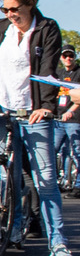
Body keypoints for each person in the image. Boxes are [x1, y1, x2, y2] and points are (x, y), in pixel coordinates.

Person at [0, 0, 70, 256]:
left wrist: (47, 107)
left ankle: (58, 243)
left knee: (45, 179)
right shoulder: (1, 28)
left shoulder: (47, 28)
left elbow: (48, 68)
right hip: (2, 110)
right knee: (7, 177)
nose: (10, 14)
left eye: (15, 9)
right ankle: (13, 230)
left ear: (29, 5)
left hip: (33, 112)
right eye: (5, 8)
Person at [54, 44, 80, 196]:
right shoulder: (58, 73)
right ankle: (57, 182)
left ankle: (78, 186)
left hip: (74, 119)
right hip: (58, 119)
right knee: (53, 151)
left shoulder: (78, 73)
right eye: (65, 56)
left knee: (77, 153)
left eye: (71, 56)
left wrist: (71, 111)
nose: (68, 58)